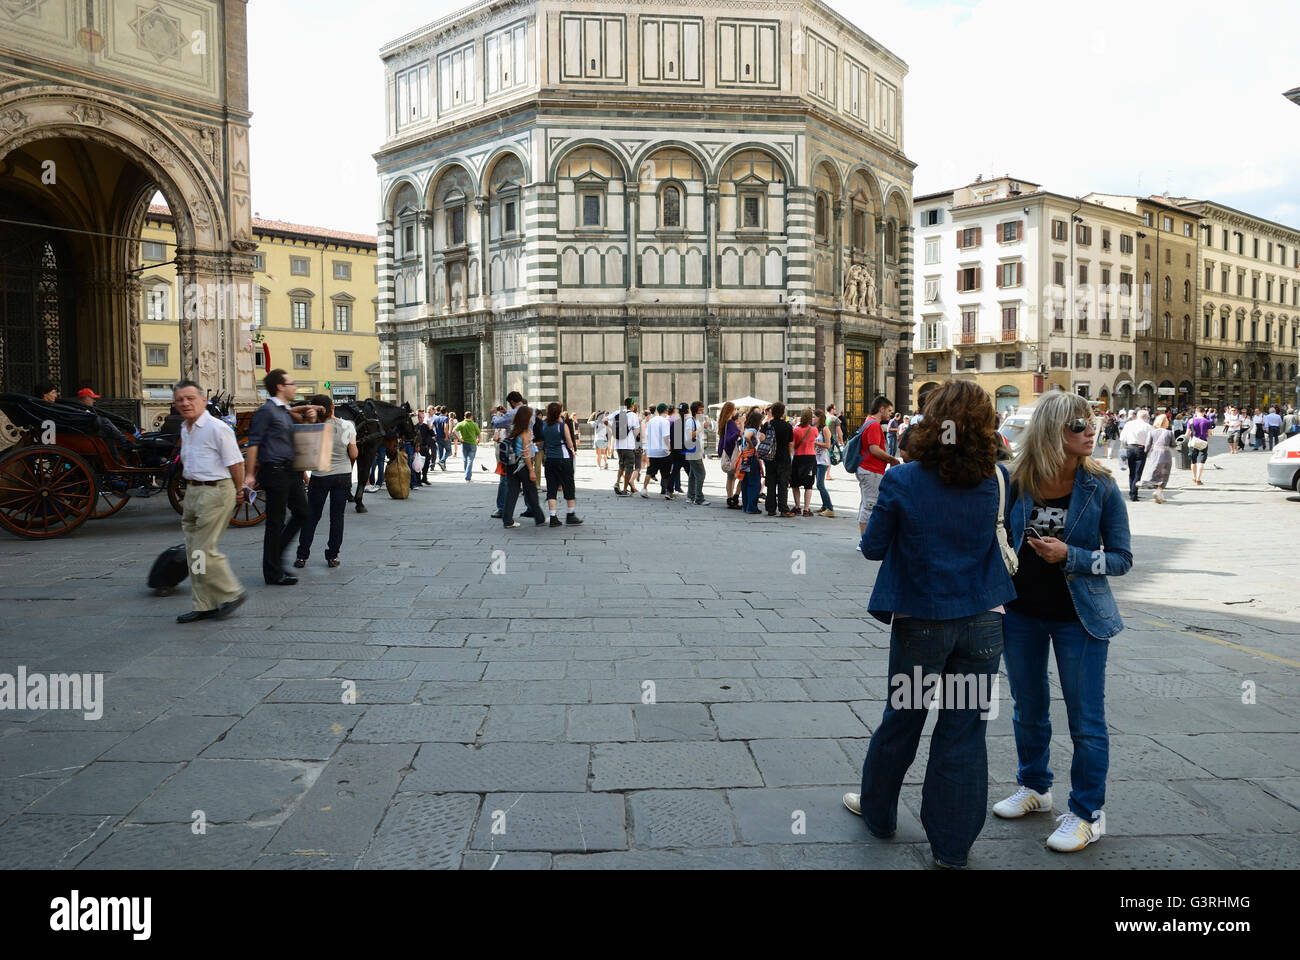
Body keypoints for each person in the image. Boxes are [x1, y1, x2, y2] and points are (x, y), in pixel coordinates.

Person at [844, 380, 1015, 869]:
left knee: (904, 719)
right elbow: (1010, 540)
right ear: (986, 426)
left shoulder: (905, 480)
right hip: (984, 623)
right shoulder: (998, 480)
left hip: (922, 623)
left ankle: (879, 813)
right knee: (963, 732)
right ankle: (952, 848)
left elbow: (873, 547)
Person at [996, 390, 1132, 853]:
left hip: (1081, 618)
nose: (1090, 431)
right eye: (1079, 426)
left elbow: (1121, 559)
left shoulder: (1102, 486)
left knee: (1086, 720)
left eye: (1091, 424)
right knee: (1027, 707)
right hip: (1021, 613)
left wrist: (1069, 555)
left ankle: (1088, 813)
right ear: (1054, 432)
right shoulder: (1019, 481)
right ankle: (1035, 787)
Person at [173, 379, 246, 623]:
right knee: (194, 552)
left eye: (190, 398)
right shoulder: (186, 427)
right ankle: (204, 604)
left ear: (204, 400)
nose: (185, 403)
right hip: (193, 492)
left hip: (216, 491)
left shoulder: (217, 428)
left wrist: (238, 491)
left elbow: (236, 463)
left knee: (204, 549)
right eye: (180, 399)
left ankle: (231, 593)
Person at [244, 369, 325, 586]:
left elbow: (300, 434)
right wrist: (249, 475)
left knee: (303, 513)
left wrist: (309, 418)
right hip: (274, 471)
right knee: (275, 522)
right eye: (291, 383)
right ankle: (272, 571)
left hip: (290, 471)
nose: (295, 387)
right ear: (280, 386)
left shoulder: (284, 411)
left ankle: (275, 557)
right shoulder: (267, 411)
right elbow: (254, 443)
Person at [294, 395, 357, 568]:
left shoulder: (314, 426)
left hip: (320, 475)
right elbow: (353, 454)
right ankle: (332, 556)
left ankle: (302, 556)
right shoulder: (347, 426)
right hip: (342, 475)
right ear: (333, 408)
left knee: (312, 516)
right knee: (337, 517)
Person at [856, 397, 900, 536]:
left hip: (867, 469)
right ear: (881, 409)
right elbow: (874, 449)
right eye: (889, 410)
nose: (890, 414)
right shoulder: (874, 424)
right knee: (870, 505)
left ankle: (865, 537)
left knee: (865, 503)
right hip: (871, 470)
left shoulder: (868, 421)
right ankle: (865, 539)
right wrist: (891, 458)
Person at [540, 401, 583, 526]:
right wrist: (573, 450)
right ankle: (570, 515)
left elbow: (544, 441)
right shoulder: (562, 426)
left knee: (551, 488)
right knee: (568, 485)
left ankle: (553, 517)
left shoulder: (544, 425)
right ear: (558, 413)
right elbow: (570, 443)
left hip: (549, 459)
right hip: (563, 458)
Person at [501, 405, 544, 529]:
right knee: (531, 491)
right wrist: (531, 470)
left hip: (510, 464)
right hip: (522, 466)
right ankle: (540, 518)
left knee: (512, 492)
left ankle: (507, 520)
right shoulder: (526, 432)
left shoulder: (512, 429)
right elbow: (525, 453)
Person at [491, 392, 527, 518]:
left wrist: (494, 414)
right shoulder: (530, 411)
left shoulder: (512, 413)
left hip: (511, 451)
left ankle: (502, 509)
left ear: (512, 401)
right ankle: (532, 508)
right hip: (527, 450)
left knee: (505, 480)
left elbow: (497, 423)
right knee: (527, 480)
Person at [764, 401, 795, 517]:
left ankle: (771, 509)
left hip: (770, 457)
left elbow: (761, 438)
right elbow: (791, 443)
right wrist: (788, 454)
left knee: (771, 483)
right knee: (783, 484)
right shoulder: (787, 426)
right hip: (783, 457)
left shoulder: (767, 425)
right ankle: (783, 509)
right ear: (782, 413)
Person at [790, 407, 819, 517]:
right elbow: (815, 437)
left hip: (798, 457)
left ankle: (797, 507)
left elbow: (793, 444)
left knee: (795, 484)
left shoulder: (795, 430)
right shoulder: (814, 430)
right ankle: (806, 509)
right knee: (808, 485)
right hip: (810, 458)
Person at [1118, 409, 1151, 502]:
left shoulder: (1129, 424)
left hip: (1130, 448)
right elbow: (1150, 441)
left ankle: (1132, 492)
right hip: (1141, 449)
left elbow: (1122, 438)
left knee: (1132, 472)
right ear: (1145, 417)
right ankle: (1134, 494)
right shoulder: (1147, 426)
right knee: (1138, 473)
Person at [609, 398, 640, 496]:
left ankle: (617, 483)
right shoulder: (633, 415)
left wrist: (612, 428)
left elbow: (604, 420)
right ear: (632, 405)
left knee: (621, 465)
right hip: (629, 446)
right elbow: (636, 431)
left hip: (618, 445)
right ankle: (625, 490)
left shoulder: (617, 412)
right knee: (629, 468)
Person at [736, 408, 764, 514]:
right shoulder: (752, 430)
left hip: (744, 457)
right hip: (751, 457)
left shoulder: (747, 429)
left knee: (745, 481)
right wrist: (752, 446)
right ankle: (751, 507)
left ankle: (746, 505)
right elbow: (748, 437)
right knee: (754, 482)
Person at [1142, 413, 1173, 504]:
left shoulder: (1151, 432)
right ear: (1165, 423)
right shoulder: (1169, 433)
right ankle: (1158, 491)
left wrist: (1147, 454)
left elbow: (1147, 446)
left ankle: (1160, 494)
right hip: (1165, 454)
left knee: (1156, 473)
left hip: (1154, 454)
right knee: (1164, 474)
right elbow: (1173, 445)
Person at [643, 403, 673, 499]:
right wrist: (669, 447)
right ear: (665, 411)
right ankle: (668, 492)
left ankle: (644, 489)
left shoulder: (651, 421)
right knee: (666, 473)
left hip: (652, 451)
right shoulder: (665, 421)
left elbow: (647, 435)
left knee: (650, 471)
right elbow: (665, 437)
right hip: (663, 451)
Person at [717, 402, 741, 509]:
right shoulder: (730, 422)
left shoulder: (723, 422)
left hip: (725, 451)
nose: (736, 411)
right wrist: (739, 431)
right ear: (731, 410)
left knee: (730, 477)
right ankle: (734, 498)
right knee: (736, 477)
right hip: (731, 452)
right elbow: (732, 437)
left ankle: (729, 498)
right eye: (734, 409)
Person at [683, 401, 708, 505]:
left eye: (703, 409)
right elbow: (690, 435)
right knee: (701, 474)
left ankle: (690, 496)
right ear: (695, 411)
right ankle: (699, 498)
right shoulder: (690, 421)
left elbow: (699, 437)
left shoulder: (697, 421)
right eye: (700, 410)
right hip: (692, 451)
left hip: (696, 451)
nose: (702, 412)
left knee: (693, 475)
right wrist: (702, 427)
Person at [813, 411, 834, 517]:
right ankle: (824, 506)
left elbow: (828, 445)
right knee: (819, 484)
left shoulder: (825, 429)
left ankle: (830, 508)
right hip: (816, 460)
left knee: (820, 484)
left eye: (814, 417)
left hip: (823, 461)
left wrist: (815, 443)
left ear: (819, 418)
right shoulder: (815, 429)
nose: (812, 418)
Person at [454, 410, 479, 480]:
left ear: (464, 417)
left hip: (464, 443)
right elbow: (479, 434)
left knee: (465, 459)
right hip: (472, 444)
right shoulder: (474, 424)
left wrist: (459, 439)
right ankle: (468, 476)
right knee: (470, 460)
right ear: (471, 417)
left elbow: (454, 431)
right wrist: (478, 440)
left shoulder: (461, 423)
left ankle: (466, 473)